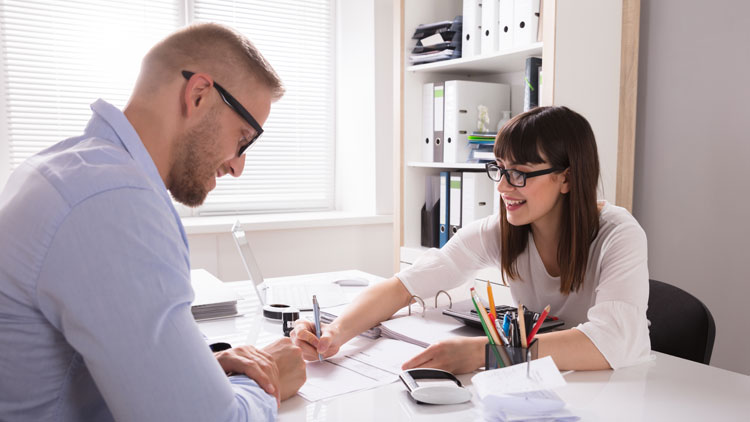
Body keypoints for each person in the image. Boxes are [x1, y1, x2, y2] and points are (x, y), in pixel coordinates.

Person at [0, 23, 306, 421]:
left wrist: (201, 369)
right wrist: (266, 382)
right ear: (198, 96)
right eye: (244, 138)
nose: (238, 166)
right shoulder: (111, 202)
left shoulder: (70, 169)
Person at [292, 106, 650, 373]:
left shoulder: (618, 234)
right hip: (548, 380)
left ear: (567, 178)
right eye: (499, 169)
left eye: (520, 174)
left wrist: (487, 353)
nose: (502, 186)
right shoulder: (502, 230)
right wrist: (335, 334)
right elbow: (404, 286)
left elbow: (612, 341)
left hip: (621, 385)